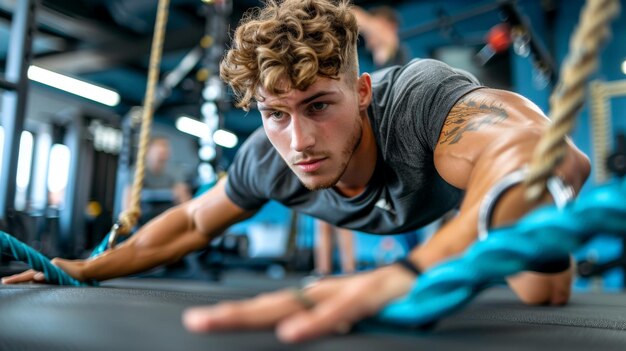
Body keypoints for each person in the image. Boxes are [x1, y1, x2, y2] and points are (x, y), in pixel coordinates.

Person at [2, 0, 590, 344]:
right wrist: (81, 266)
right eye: (275, 114)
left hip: (464, 187)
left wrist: (408, 273)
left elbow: (555, 156)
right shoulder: (268, 155)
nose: (299, 140)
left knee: (545, 292)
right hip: (439, 207)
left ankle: (469, 222)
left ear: (361, 92)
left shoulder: (416, 102)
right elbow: (189, 223)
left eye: (318, 106)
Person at [123, 136, 192, 225]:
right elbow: (128, 199)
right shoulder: (138, 171)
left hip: (166, 219)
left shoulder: (174, 171)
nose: (163, 150)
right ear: (148, 151)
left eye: (166, 147)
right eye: (160, 146)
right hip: (143, 219)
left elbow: (184, 199)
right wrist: (130, 221)